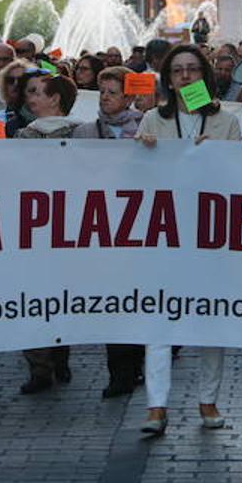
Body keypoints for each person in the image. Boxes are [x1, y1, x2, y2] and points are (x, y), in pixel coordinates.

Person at [135, 45, 241, 435]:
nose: (184, 77)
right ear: (168, 78)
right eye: (177, 70)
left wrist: (217, 156)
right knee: (158, 321)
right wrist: (144, 154)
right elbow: (137, 178)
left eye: (192, 70)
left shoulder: (225, 122)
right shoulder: (153, 119)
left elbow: (240, 174)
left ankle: (208, 399)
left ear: (205, 76)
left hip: (210, 236)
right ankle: (156, 405)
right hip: (166, 236)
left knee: (211, 322)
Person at [71, 67, 146, 397]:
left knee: (137, 301)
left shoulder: (145, 127)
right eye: (102, 91)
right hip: (102, 228)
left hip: (139, 226)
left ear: (128, 97)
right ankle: (120, 373)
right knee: (113, 303)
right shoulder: (85, 131)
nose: (105, 97)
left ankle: (137, 363)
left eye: (113, 92)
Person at [11, 74, 85, 393]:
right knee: (31, 295)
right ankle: (39, 366)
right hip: (34, 229)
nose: (30, 98)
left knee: (63, 294)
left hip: (69, 227)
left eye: (37, 93)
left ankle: (61, 354)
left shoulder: (82, 134)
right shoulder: (22, 136)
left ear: (55, 99)